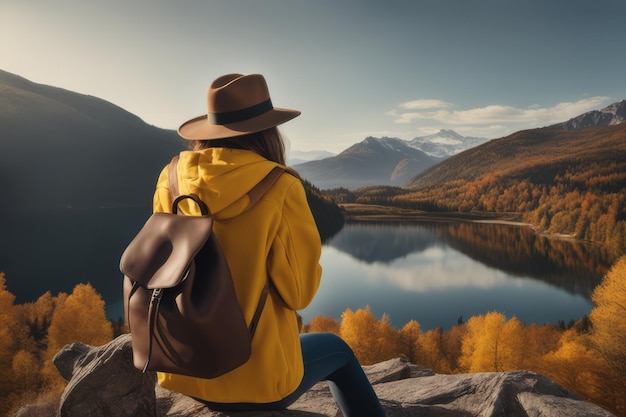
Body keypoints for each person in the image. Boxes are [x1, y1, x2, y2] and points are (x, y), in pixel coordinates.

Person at [152, 73, 386, 416]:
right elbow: (299, 293)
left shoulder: (170, 177)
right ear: (267, 131)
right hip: (256, 380)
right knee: (338, 350)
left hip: (182, 368)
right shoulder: (279, 185)